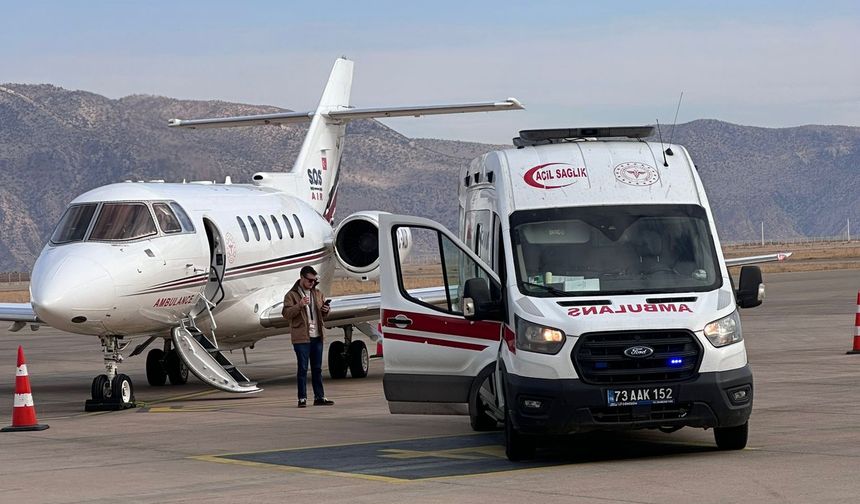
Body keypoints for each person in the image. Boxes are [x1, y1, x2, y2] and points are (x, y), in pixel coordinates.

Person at [282, 266, 334, 407]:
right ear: (302, 278)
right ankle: (302, 398)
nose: (312, 283)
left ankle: (319, 397)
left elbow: (322, 315)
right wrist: (299, 305)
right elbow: (286, 314)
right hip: (301, 337)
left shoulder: (317, 293)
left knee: (317, 369)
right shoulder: (291, 295)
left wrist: (326, 310)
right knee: (303, 368)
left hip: (317, 336)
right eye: (310, 280)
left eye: (314, 280)